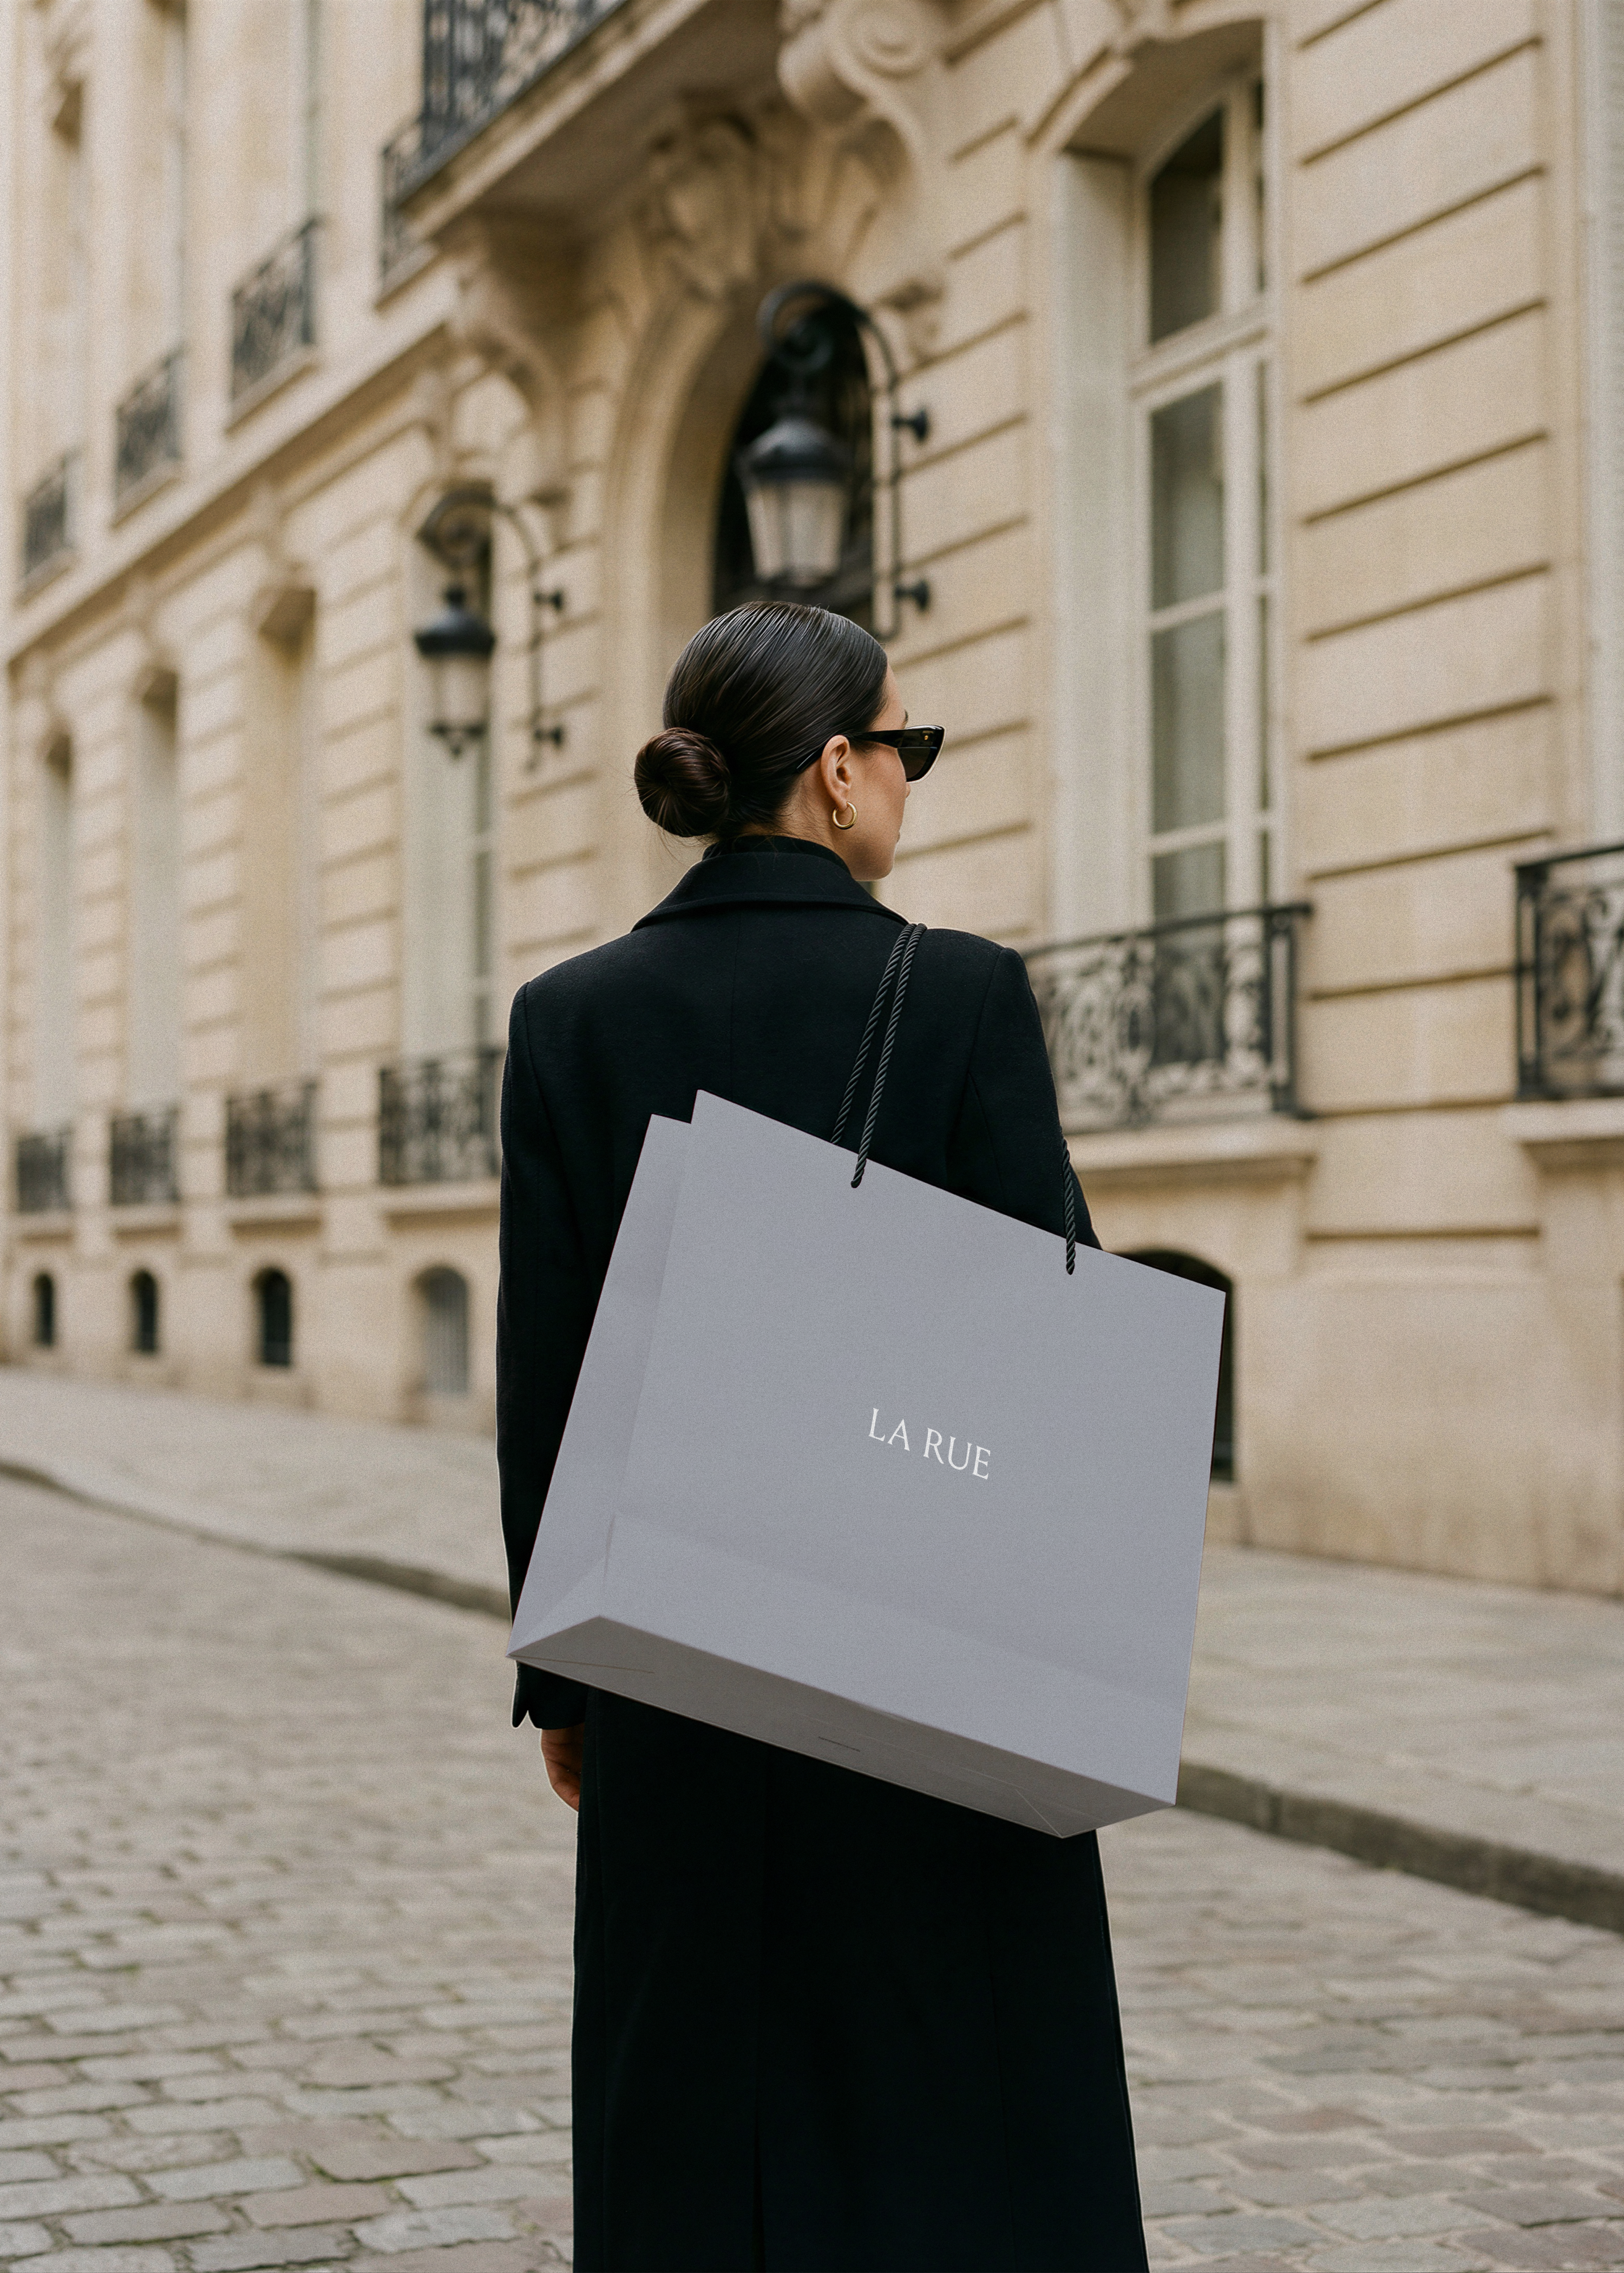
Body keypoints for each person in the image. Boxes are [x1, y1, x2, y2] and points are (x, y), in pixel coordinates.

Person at [496, 600, 1147, 2272]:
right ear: (840, 771)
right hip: (921, 1656)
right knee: (950, 2088)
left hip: (667, 1651)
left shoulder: (569, 1017)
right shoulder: (964, 997)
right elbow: (1049, 1353)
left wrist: (565, 1684)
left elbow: (550, 1371)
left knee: (692, 2104)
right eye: (905, 752)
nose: (909, 788)